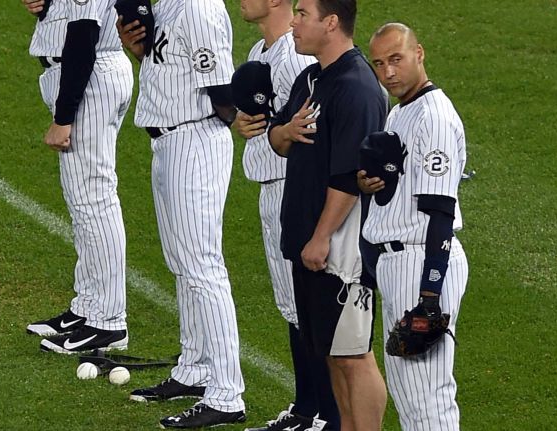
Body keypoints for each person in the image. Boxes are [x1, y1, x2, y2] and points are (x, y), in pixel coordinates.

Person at [115, 0, 246, 428]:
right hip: (168, 141)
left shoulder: (198, 9)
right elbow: (176, 69)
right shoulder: (167, 5)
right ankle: (194, 369)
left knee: (202, 267)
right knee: (183, 264)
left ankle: (227, 392)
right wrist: (140, 53)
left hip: (195, 141)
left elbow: (224, 94)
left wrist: (218, 125)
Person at [266, 0, 389, 429]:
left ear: (331, 22)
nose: (294, 23)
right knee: (334, 355)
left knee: (355, 355)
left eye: (303, 14)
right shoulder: (311, 78)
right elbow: (278, 137)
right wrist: (285, 130)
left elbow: (348, 178)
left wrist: (320, 238)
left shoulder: (356, 87)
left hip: (342, 249)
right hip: (308, 240)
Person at [231, 1, 338, 430]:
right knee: (292, 307)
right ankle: (305, 409)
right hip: (271, 189)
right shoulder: (261, 53)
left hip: (293, 190)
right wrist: (244, 122)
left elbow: (316, 128)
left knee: (309, 308)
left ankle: (325, 415)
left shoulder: (295, 59)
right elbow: (259, 118)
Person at [360, 22, 469, 430]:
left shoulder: (434, 117)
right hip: (398, 262)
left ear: (419, 53)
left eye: (396, 60)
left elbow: (440, 211)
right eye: (379, 64)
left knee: (428, 398)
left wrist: (429, 297)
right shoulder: (400, 111)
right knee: (410, 398)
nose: (387, 72)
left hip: (422, 261)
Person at [20, 0, 132, 354]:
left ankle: (108, 321)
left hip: (90, 77)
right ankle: (87, 308)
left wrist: (63, 117)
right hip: (90, 73)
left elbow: (84, 34)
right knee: (84, 200)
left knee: (94, 199)